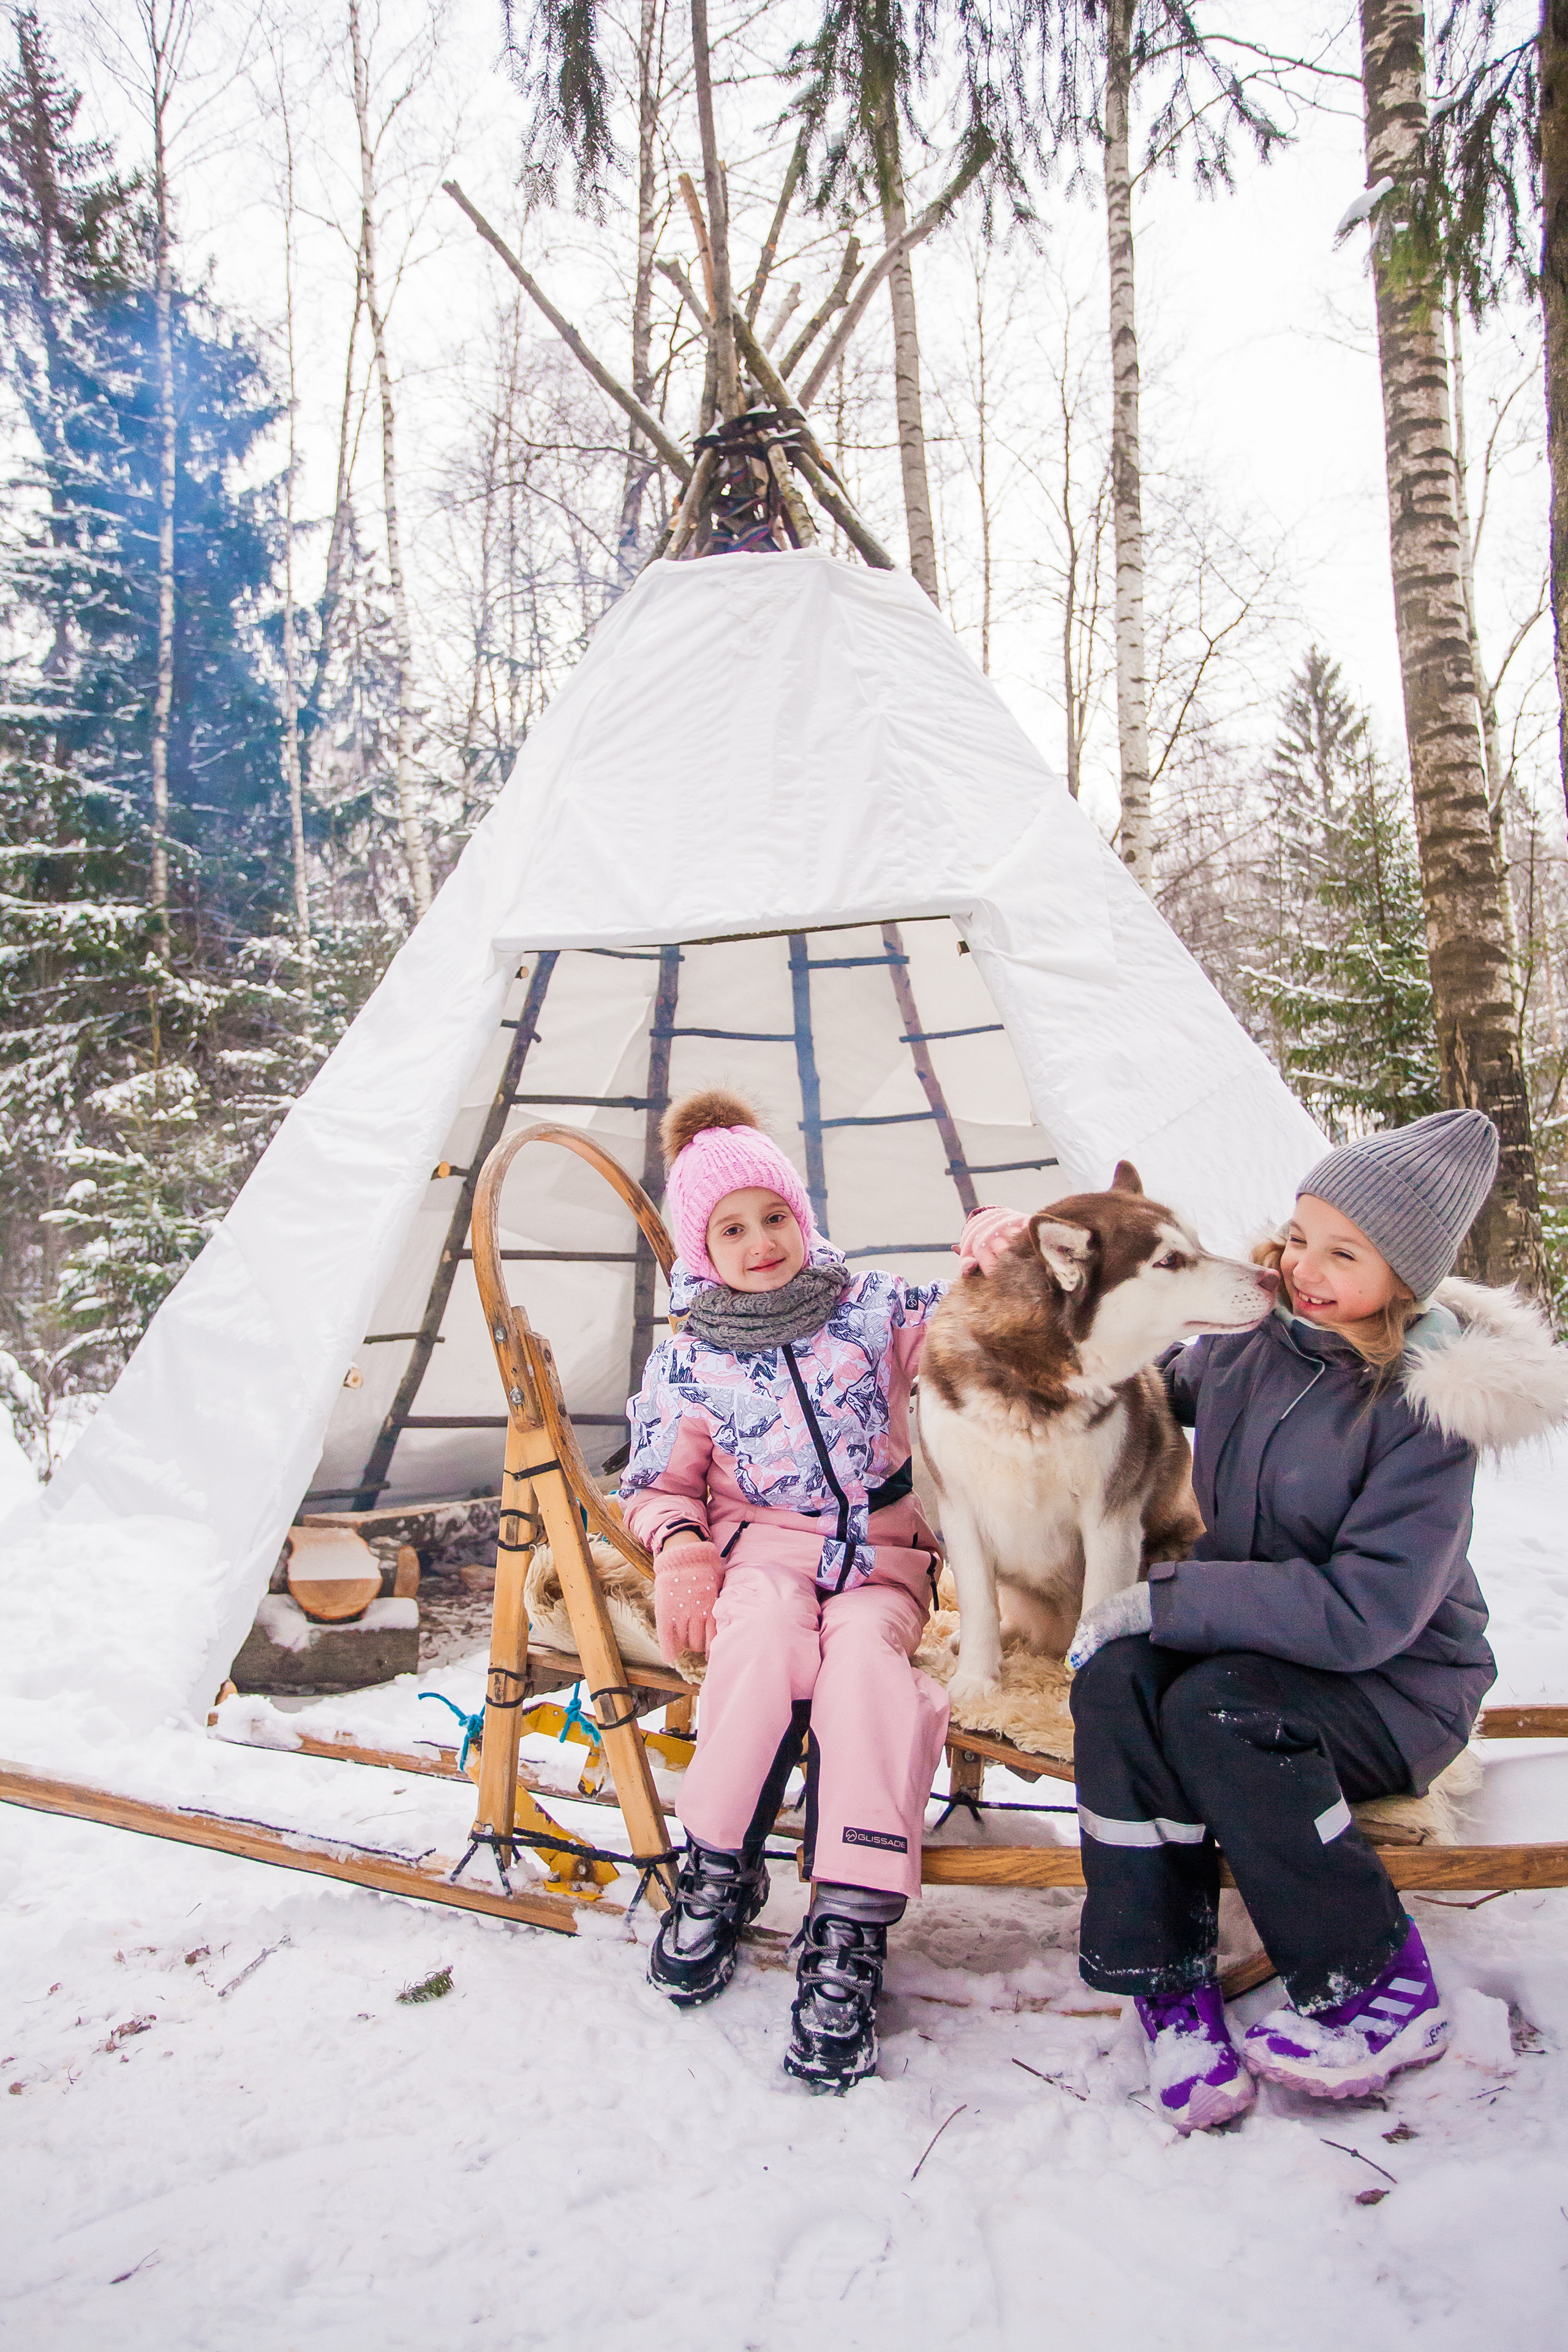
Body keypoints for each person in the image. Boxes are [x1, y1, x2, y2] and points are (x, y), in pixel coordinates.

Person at [965, 1110, 1568, 2132]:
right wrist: (1029, 1276)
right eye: (1298, 1237)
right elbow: (1124, 1365)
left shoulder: (1428, 1410)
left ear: (1407, 1277)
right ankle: (1169, 1980)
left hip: (1397, 1683)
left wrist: (1169, 1598)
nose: (1305, 1268)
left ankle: (1377, 1984)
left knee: (1211, 1708)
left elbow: (1365, 1613)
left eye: (1345, 1253)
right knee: (1112, 1684)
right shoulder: (1256, 1349)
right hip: (1253, 1646)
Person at [620, 1088, 950, 2091]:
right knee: (758, 1642)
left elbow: (985, 1332)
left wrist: (993, 1254)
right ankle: (717, 1869)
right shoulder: (687, 1358)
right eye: (732, 1227)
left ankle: (849, 1924)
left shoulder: (877, 1306)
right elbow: (655, 1484)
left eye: (775, 1217)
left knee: (864, 1673)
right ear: (699, 1246)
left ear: (802, 1217)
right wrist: (680, 1547)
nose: (761, 1242)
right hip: (762, 1553)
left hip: (883, 1560)